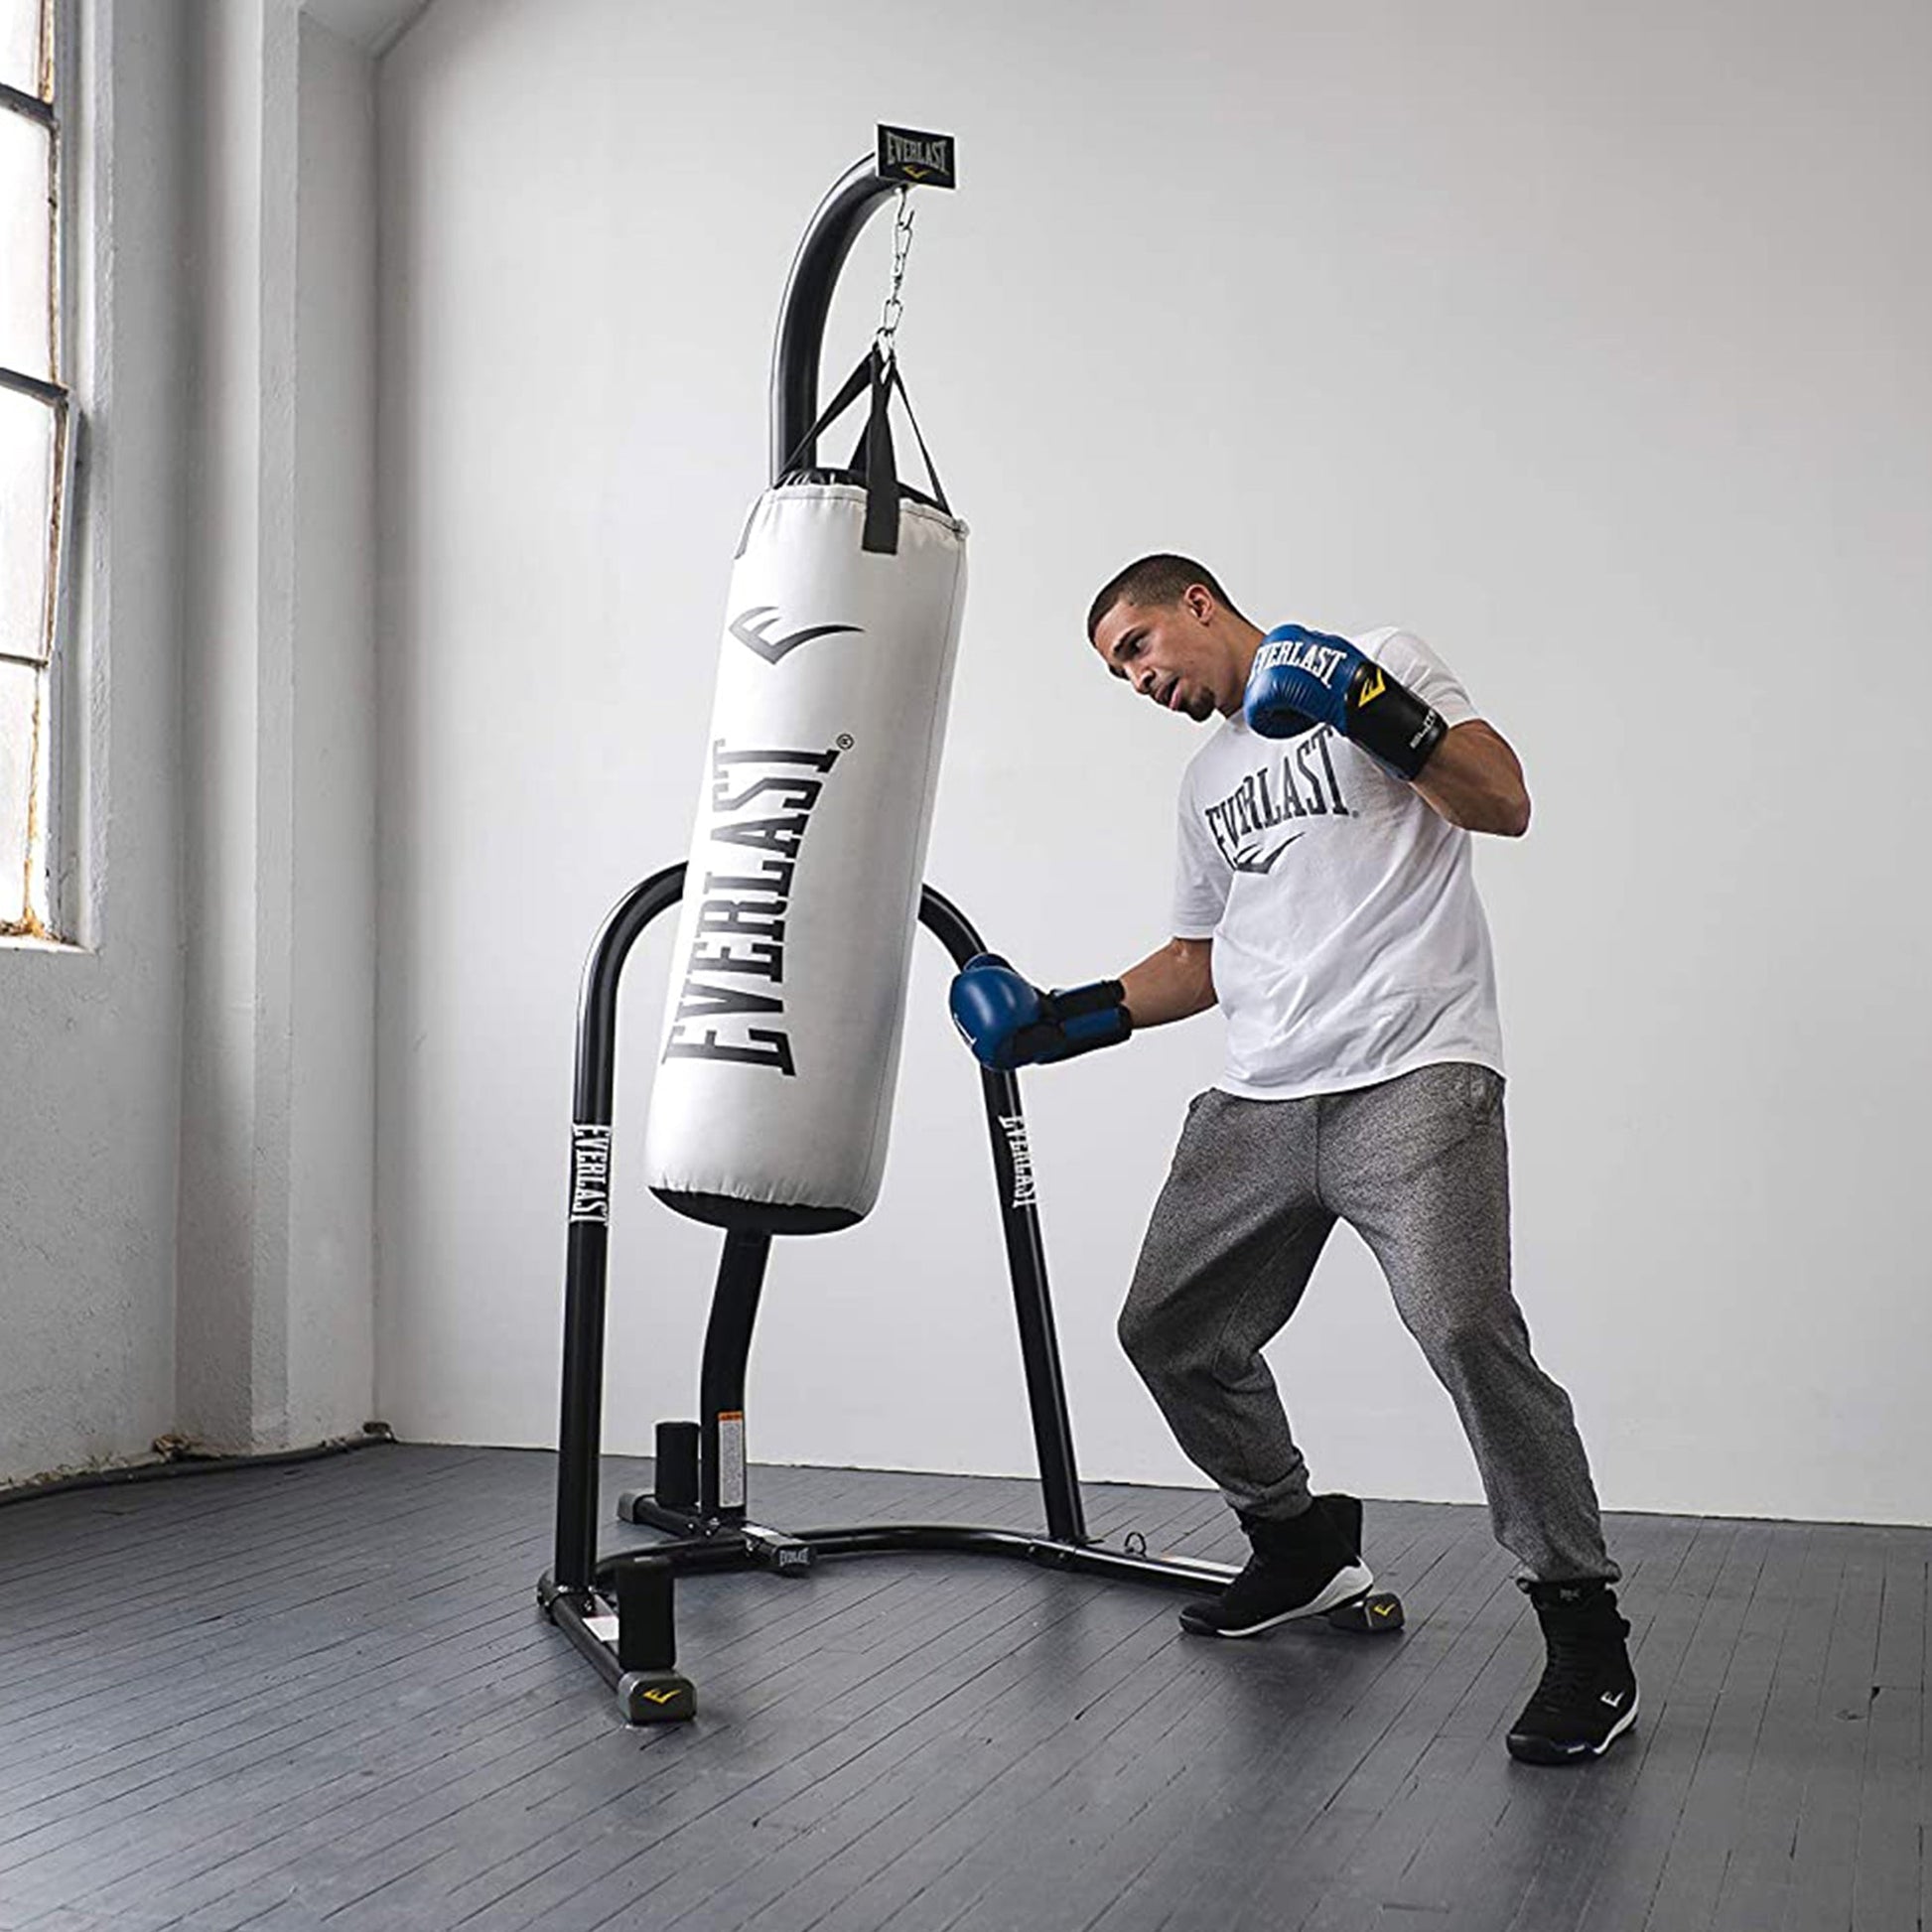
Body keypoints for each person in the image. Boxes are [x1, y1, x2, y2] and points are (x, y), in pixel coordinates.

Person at [948, 554, 1636, 1765]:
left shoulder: (1375, 661)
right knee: (1168, 1329)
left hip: (1413, 1070)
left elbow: (1499, 799)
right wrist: (1064, 1018)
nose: (1137, 679)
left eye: (1138, 646)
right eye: (1117, 672)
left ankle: (1582, 1625)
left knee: (1465, 1326)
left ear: (1197, 604)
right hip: (1259, 1095)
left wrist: (1366, 704)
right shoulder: (1205, 779)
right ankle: (1298, 1541)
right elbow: (1198, 956)